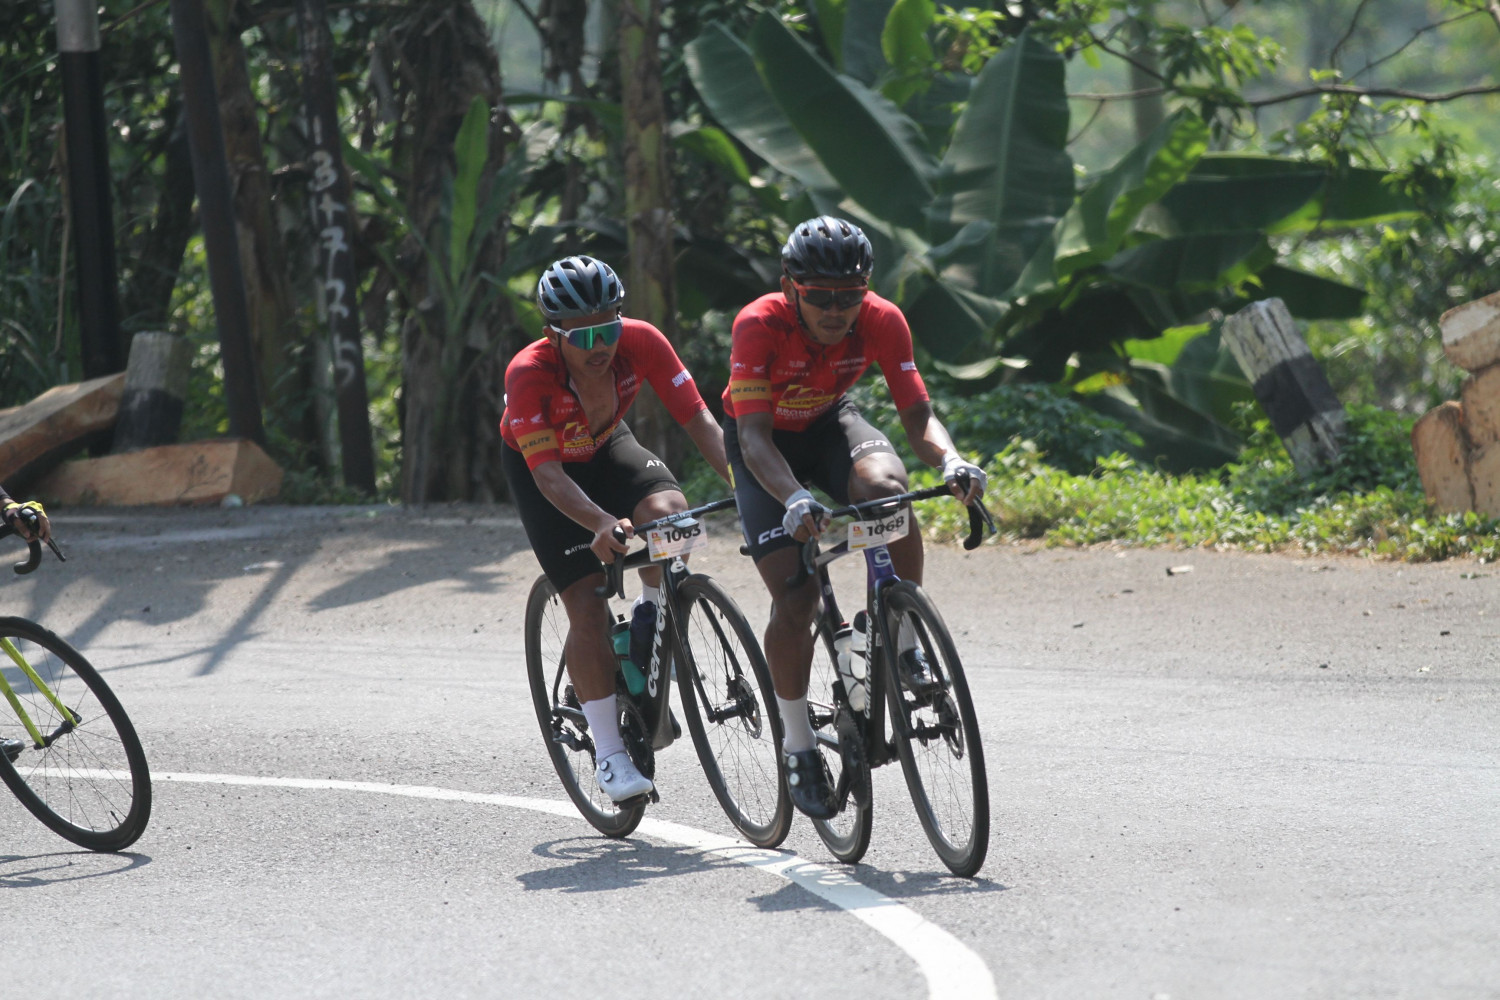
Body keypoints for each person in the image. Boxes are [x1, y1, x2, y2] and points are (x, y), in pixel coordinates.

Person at [721, 215, 987, 819]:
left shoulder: (882, 319)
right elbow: (754, 437)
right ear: (790, 288)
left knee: (889, 493)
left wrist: (951, 459)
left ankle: (903, 637)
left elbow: (917, 415)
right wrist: (794, 497)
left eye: (850, 296)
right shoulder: (759, 324)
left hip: (828, 424)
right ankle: (797, 744)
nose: (837, 310)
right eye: (820, 297)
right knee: (797, 600)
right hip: (763, 446)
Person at [501, 255, 729, 804]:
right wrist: (601, 522)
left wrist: (749, 484)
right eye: (583, 336)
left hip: (606, 445)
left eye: (609, 327)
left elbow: (699, 419)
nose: (600, 344)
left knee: (673, 516)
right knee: (586, 603)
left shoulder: (642, 341)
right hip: (547, 471)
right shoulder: (528, 373)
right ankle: (610, 754)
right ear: (552, 335)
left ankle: (649, 615)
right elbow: (549, 477)